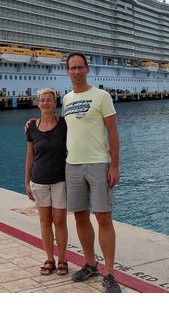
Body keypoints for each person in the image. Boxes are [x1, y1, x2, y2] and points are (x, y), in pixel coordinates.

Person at [62, 52, 121, 293]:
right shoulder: (65, 99)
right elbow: (69, 129)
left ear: (87, 69)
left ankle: (109, 272)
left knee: (104, 218)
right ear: (67, 71)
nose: (76, 71)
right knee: (79, 216)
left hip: (98, 163)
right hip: (72, 164)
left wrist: (114, 166)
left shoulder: (101, 96)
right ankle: (90, 263)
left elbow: (113, 134)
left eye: (80, 67)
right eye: (72, 68)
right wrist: (35, 123)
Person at [25, 88, 69, 276]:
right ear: (38, 103)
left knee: (59, 221)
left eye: (49, 100)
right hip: (39, 180)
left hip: (60, 179)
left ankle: (63, 259)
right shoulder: (32, 127)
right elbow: (30, 156)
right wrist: (27, 181)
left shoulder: (64, 124)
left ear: (55, 103)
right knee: (44, 221)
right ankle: (49, 258)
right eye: (42, 100)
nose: (45, 103)